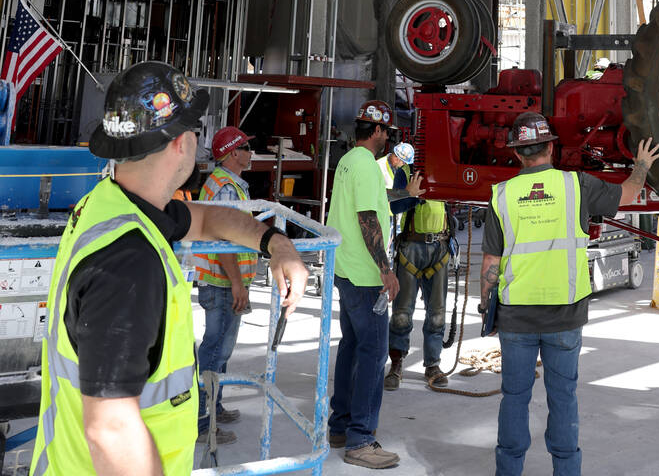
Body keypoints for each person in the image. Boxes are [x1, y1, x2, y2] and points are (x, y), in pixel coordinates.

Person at [28, 62, 307, 476]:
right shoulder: (127, 262)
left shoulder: (114, 205)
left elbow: (209, 219)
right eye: (196, 129)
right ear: (181, 143)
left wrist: (276, 243)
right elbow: (111, 431)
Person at [480, 112, 659, 476]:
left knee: (514, 398)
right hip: (565, 316)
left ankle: (507, 471)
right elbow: (628, 193)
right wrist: (641, 165)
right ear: (551, 147)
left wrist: (489, 310)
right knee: (563, 398)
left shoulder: (501, 195)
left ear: (517, 154)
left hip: (516, 316)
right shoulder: (576, 185)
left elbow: (490, 264)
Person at [326, 101, 420, 469]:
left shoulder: (349, 162)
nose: (387, 139)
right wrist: (386, 269)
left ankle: (340, 426)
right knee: (372, 355)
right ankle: (361, 440)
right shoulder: (366, 166)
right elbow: (368, 219)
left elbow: (374, 203)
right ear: (378, 132)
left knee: (352, 347)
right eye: (386, 132)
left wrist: (407, 195)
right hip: (366, 278)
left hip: (346, 270)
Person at [194, 126, 256, 444]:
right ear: (233, 153)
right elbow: (225, 242)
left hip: (222, 282)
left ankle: (213, 407)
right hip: (221, 283)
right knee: (215, 349)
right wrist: (237, 284)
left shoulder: (226, 184)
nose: (250, 151)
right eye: (245, 147)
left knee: (221, 350)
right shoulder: (226, 188)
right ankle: (202, 422)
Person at [384, 180, 453, 391]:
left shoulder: (446, 174)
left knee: (437, 313)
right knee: (402, 312)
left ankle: (433, 364)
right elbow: (394, 206)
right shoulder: (407, 172)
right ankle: (396, 362)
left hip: (440, 247)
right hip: (411, 247)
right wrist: (411, 194)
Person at [377, 140, 417, 253]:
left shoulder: (399, 169)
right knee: (381, 247)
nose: (404, 165)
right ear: (397, 158)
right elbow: (381, 194)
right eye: (403, 162)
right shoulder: (379, 166)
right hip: (381, 214)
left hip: (394, 214)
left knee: (391, 247)